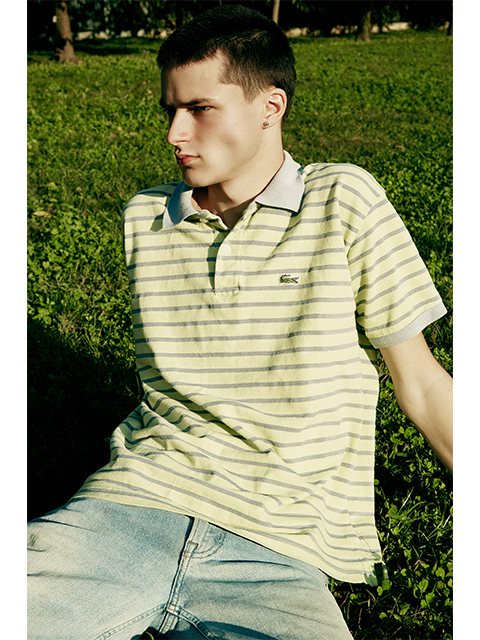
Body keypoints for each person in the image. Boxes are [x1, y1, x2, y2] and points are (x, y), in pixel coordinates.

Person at [27, 5, 452, 639]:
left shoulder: (342, 201)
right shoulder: (146, 219)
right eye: (170, 110)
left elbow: (419, 382)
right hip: (126, 508)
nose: (175, 133)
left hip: (279, 550)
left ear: (270, 107)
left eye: (200, 109)